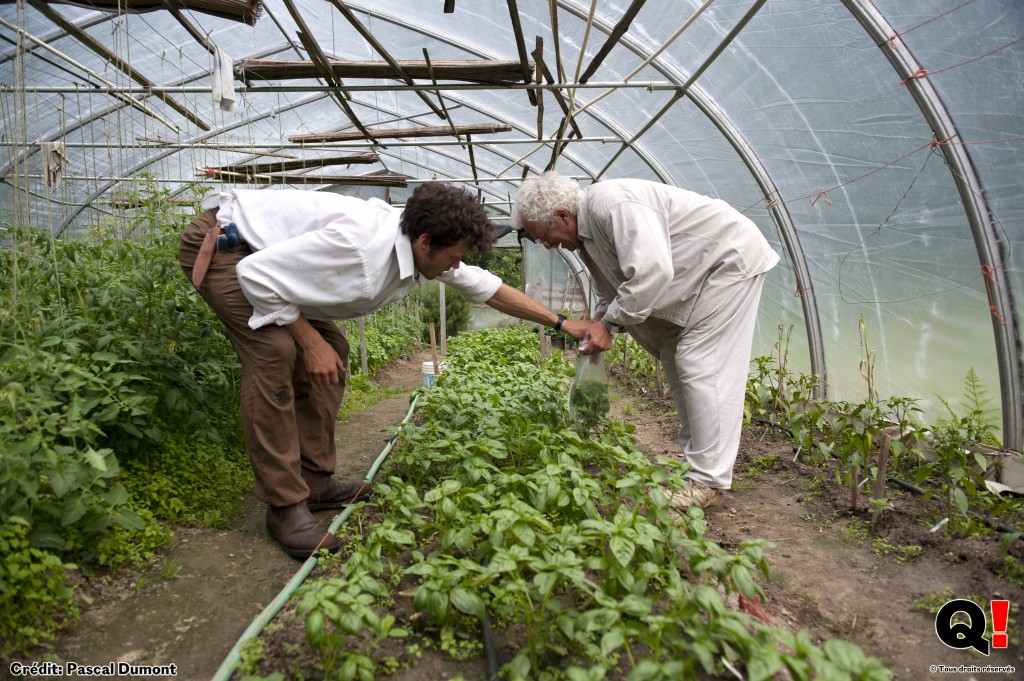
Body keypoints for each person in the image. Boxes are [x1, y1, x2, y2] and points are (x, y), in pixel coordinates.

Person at [179, 182, 588, 559]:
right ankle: (284, 506)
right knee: (277, 352)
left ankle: (315, 481)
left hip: (270, 261)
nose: (456, 266)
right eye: (454, 257)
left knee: (333, 349)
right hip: (230, 252)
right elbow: (256, 276)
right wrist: (308, 340)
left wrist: (561, 323)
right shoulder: (360, 251)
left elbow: (490, 289)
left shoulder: (422, 243)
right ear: (425, 242)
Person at [512, 172, 779, 510]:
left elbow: (652, 272)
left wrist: (609, 324)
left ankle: (707, 479)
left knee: (700, 361)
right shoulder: (584, 235)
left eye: (545, 236)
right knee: (677, 362)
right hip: (694, 279)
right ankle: (695, 469)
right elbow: (613, 283)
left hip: (726, 263)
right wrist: (600, 318)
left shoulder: (611, 206)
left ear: (563, 215)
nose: (549, 245)